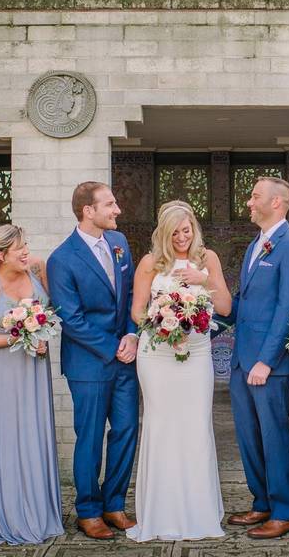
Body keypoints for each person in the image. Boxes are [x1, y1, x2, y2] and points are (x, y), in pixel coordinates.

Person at [126, 201, 232, 541]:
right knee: (161, 425)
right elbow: (136, 311)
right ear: (164, 234)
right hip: (157, 355)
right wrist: (162, 323)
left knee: (195, 425)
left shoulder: (208, 259)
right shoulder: (149, 263)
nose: (182, 238)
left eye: (187, 231)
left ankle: (197, 512)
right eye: (175, 233)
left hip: (197, 353)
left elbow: (227, 308)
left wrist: (204, 280)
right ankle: (161, 513)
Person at [46, 181, 139, 540]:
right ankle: (88, 510)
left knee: (127, 430)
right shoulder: (62, 259)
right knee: (90, 437)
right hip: (88, 362)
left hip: (125, 357)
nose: (117, 210)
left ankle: (114, 504)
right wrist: (112, 345)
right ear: (88, 210)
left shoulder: (120, 244)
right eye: (110, 204)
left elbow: (132, 295)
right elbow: (70, 317)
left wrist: (131, 334)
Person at [0, 225, 64, 544]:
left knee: (34, 435)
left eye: (26, 245)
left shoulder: (36, 268)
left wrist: (42, 336)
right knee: (8, 438)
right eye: (18, 248)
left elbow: (49, 314)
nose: (26, 252)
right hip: (4, 373)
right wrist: (21, 335)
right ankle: (9, 516)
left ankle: (39, 512)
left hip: (33, 370)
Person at [226, 177, 289, 539]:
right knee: (248, 435)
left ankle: (286, 510)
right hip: (241, 359)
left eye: (255, 196)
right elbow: (244, 303)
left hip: (267, 364)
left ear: (277, 203)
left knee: (274, 435)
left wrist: (267, 360)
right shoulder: (254, 245)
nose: (249, 202)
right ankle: (261, 502)